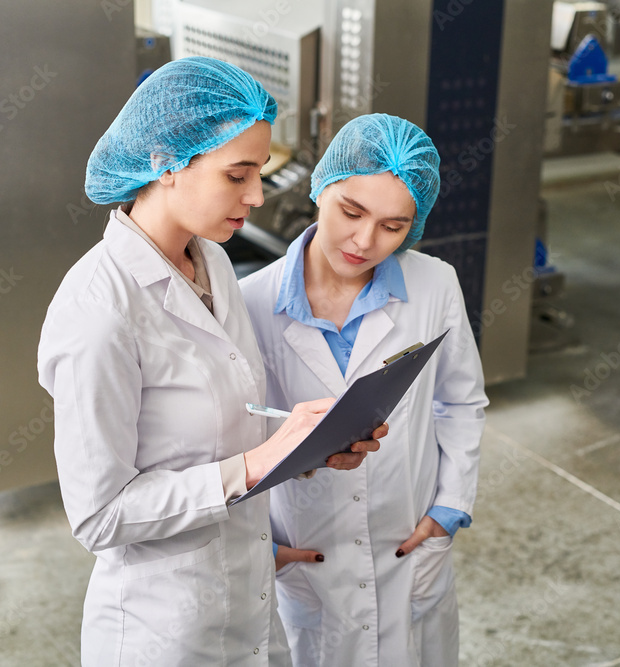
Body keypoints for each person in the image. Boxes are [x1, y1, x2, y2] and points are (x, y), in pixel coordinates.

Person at [36, 58, 383, 667]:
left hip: (245, 603)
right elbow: (99, 516)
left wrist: (302, 445)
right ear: (165, 163)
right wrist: (254, 467)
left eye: (261, 172)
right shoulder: (99, 310)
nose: (257, 196)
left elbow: (222, 424)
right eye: (237, 175)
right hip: (161, 632)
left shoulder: (212, 262)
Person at [239, 113, 488, 666]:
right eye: (351, 212)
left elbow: (461, 400)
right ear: (320, 189)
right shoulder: (248, 303)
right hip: (307, 551)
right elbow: (233, 439)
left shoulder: (434, 283)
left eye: (393, 226)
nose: (364, 240)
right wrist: (261, 548)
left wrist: (449, 508)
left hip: (409, 543)